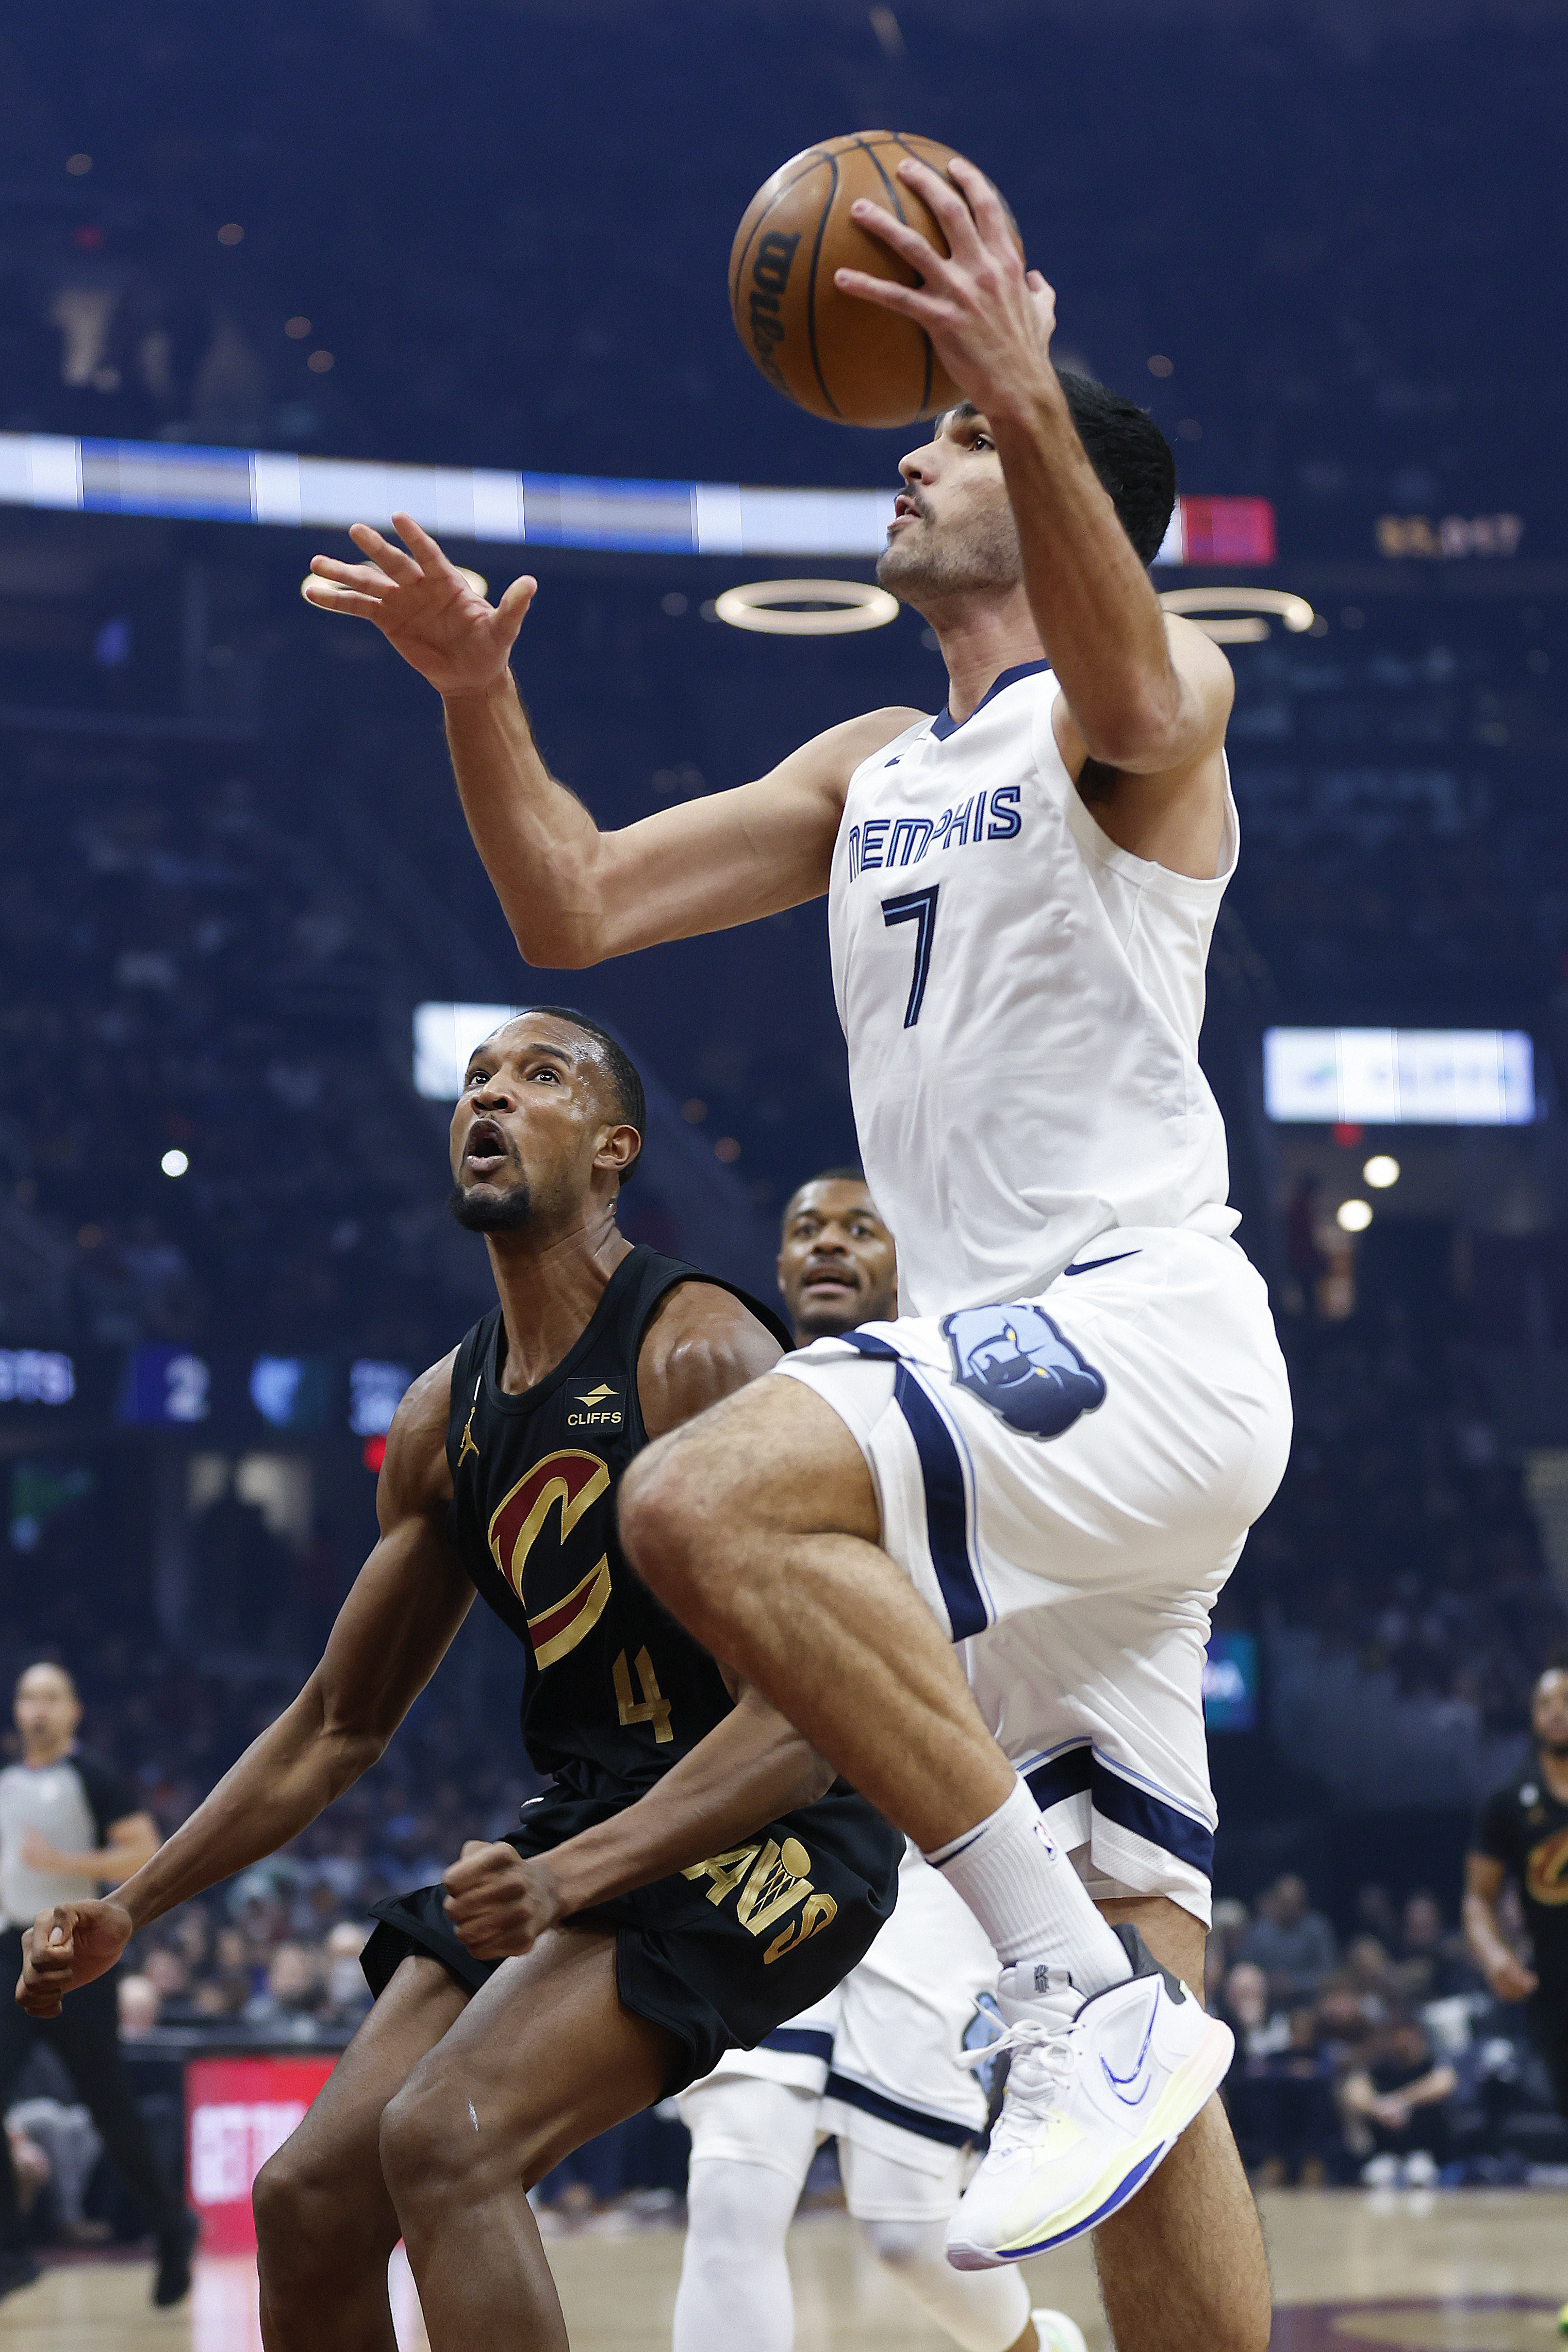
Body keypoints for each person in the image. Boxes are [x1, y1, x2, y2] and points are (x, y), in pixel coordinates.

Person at [301, 152, 1291, 2345]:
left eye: (946, 433)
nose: (909, 446)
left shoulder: (1136, 724)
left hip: (1131, 1331)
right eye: (930, 419)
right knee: (1151, 2034)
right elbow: (570, 902)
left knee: (698, 1486)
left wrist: (1016, 386)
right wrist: (477, 696)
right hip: (1039, 1443)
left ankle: (1046, 1985)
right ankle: (1092, 2000)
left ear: (1045, 497)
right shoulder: (866, 760)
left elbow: (1132, 689)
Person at [18, 1009, 901, 2352]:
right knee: (307, 2200)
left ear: (614, 1149)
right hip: (591, 1815)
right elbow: (334, 1723)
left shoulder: (700, 1349)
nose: (491, 1095)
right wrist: (133, 1906)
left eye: (538, 1077)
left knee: (449, 2134)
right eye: (476, 1078)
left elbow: (805, 1727)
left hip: (779, 1823)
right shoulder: (445, 1416)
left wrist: (566, 1880)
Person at [674, 1171, 1086, 2352]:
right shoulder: (731, 1417)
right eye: (805, 1226)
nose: (829, 1244)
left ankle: (1030, 2347)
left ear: (910, 1261)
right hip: (776, 1824)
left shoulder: (970, 1400)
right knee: (732, 2178)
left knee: (907, 2224)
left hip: (934, 1840)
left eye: (862, 1227)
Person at [0, 1662, 195, 2306]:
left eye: (52, 1696)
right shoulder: (5, 1782)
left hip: (70, 1948)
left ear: (74, 1711)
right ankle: (10, 2250)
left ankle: (171, 2226)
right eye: (29, 1695)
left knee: (108, 2102)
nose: (38, 1708)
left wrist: (64, 1865)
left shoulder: (94, 1778)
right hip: (9, 1950)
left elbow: (144, 1851)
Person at [1465, 1666, 1568, 2127]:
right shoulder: (1508, 1800)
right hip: (1552, 1980)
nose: (1557, 1712)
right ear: (1531, 1717)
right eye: (1545, 1704)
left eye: (1566, 1701)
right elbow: (1477, 1897)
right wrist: (1494, 1957)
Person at [1234, 1876, 1339, 2005]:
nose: (1289, 1909)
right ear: (1275, 1901)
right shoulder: (1259, 1931)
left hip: (1310, 2003)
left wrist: (1294, 1984)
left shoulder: (1317, 1929)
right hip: (1266, 2002)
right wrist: (1268, 1982)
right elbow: (1244, 1967)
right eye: (1284, 1903)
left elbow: (1329, 1973)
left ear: (1303, 1903)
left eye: (1294, 1903)